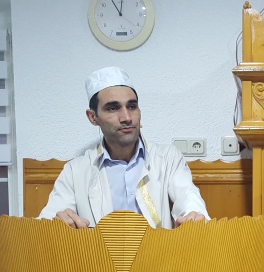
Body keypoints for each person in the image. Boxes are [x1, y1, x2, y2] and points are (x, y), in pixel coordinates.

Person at [38, 66, 209, 229]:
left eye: (132, 107)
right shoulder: (75, 171)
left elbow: (188, 199)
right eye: (113, 108)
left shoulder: (168, 159)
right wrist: (59, 223)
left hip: (157, 250)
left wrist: (193, 216)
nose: (126, 117)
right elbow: (48, 223)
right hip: (99, 251)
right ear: (93, 117)